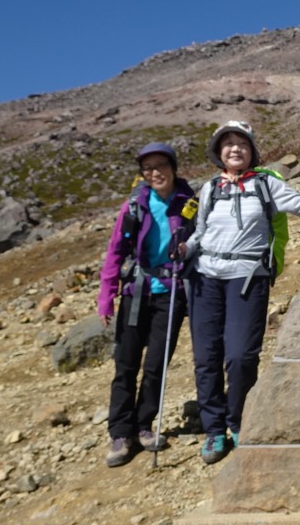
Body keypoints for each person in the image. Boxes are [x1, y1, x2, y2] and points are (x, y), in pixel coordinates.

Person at [179, 121, 300, 464]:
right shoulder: (209, 188)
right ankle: (214, 429)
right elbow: (199, 233)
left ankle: (240, 421)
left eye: (242, 143)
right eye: (228, 143)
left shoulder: (266, 184)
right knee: (206, 357)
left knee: (241, 356)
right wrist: (185, 249)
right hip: (205, 279)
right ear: (218, 152)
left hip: (247, 278)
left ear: (252, 151)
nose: (235, 149)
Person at [98, 143, 196, 467]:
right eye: (148, 168)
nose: (156, 172)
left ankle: (143, 425)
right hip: (135, 292)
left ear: (173, 167)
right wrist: (106, 297)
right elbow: (115, 252)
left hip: (171, 293)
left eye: (161, 165)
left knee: (156, 365)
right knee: (126, 364)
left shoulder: (189, 203)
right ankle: (120, 432)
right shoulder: (134, 206)